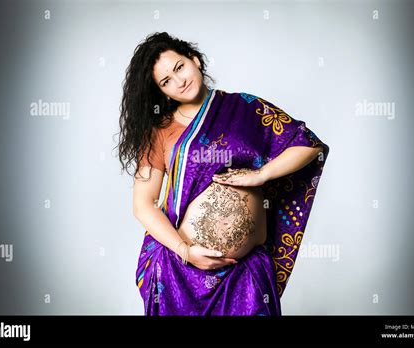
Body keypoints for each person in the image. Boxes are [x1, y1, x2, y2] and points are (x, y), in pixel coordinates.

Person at [116, 32, 330, 315]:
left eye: (179, 67)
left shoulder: (246, 108)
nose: (179, 81)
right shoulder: (159, 132)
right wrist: (184, 250)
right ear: (162, 92)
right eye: (166, 81)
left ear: (194, 60)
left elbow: (307, 145)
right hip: (180, 271)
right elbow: (142, 205)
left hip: (244, 274)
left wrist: (262, 174)